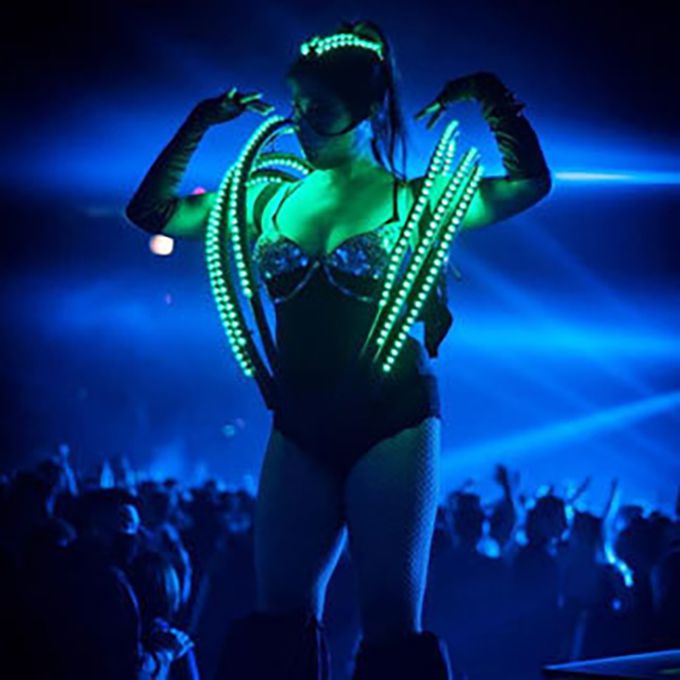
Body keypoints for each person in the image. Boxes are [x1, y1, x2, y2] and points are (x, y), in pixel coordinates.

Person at [125, 18, 551, 680]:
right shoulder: (264, 198)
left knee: (389, 624)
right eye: (296, 105)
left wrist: (492, 97)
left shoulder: (415, 199)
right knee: (278, 618)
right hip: (298, 419)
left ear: (368, 109)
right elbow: (151, 212)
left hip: (393, 418)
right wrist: (198, 124)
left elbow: (527, 184)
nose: (301, 122)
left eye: (318, 109)